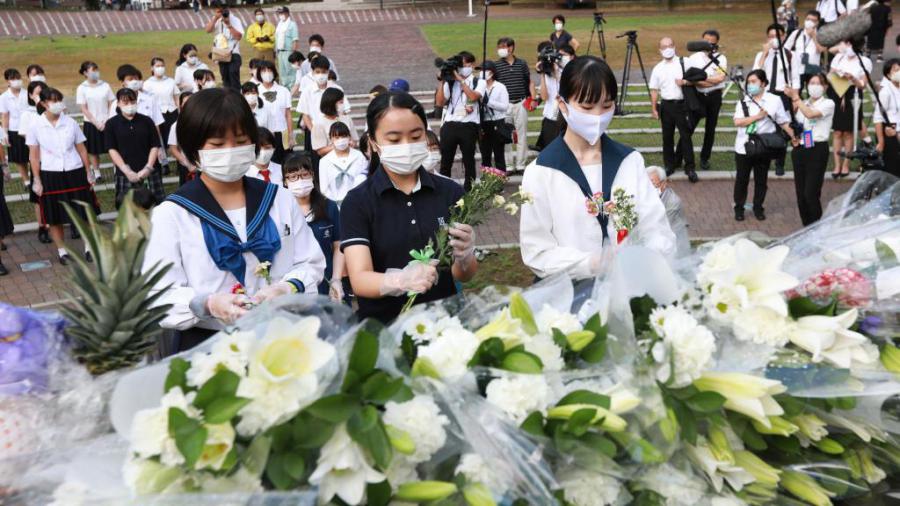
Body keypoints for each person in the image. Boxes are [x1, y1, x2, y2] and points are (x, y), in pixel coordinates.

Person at [142, 87, 325, 351]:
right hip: (208, 347)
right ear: (194, 149)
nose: (230, 151)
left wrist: (285, 288)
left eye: (240, 142)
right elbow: (160, 294)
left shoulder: (279, 199)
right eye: (217, 145)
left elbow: (311, 262)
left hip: (281, 336)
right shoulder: (172, 215)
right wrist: (208, 304)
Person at [520, 56, 675, 280]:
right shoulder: (541, 171)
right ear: (562, 104)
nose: (598, 117)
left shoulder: (630, 161)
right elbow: (537, 251)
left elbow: (657, 228)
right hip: (569, 292)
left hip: (630, 285)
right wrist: (592, 264)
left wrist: (646, 257)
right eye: (586, 107)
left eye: (607, 106)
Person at [341, 91, 477, 323]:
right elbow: (360, 279)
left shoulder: (450, 192)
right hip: (385, 328)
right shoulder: (358, 202)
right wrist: (399, 281)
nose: (407, 146)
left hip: (444, 325)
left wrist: (465, 257)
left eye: (415, 136)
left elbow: (464, 275)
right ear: (373, 142)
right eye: (394, 140)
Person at [27, 87, 99, 265]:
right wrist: (37, 179)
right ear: (44, 104)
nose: (58, 104)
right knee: (54, 216)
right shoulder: (36, 125)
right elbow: (34, 156)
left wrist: (88, 171)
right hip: (50, 173)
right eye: (54, 101)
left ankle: (89, 248)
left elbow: (82, 149)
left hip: (75, 171)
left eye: (59, 100)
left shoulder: (70, 122)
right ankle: (62, 251)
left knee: (83, 212)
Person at [732, 69, 795, 222]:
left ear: (763, 83)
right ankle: (739, 208)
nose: (750, 85)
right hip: (744, 146)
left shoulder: (774, 100)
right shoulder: (743, 101)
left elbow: (783, 121)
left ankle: (758, 207)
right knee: (742, 179)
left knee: (761, 180)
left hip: (764, 146)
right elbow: (738, 122)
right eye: (748, 82)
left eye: (754, 81)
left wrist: (794, 136)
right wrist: (757, 117)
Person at [283, 153, 344, 301]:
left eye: (304, 175)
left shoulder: (329, 206)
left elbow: (338, 246)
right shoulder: (281, 210)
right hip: (291, 285)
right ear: (285, 181)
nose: (300, 180)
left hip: (325, 281)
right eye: (293, 177)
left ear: (312, 175)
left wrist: (336, 279)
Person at [785, 73, 834, 225]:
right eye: (811, 83)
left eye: (818, 83)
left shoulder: (828, 103)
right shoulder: (803, 103)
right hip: (801, 148)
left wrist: (795, 97)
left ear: (825, 87)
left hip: (817, 150)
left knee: (810, 193)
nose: (814, 86)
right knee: (801, 195)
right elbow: (797, 124)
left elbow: (811, 114)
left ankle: (816, 227)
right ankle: (806, 226)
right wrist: (794, 137)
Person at [105, 88, 165, 208]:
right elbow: (112, 149)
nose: (130, 105)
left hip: (149, 171)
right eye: (125, 102)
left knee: (156, 207)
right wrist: (126, 170)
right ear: (118, 103)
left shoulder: (147, 121)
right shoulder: (112, 124)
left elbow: (154, 145)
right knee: (127, 208)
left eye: (132, 102)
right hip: (125, 173)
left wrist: (148, 167)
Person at [649, 37, 699, 182]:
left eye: (670, 45)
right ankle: (669, 165)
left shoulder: (685, 62)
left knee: (686, 137)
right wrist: (654, 108)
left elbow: (698, 77)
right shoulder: (658, 68)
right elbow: (654, 89)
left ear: (675, 46)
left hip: (682, 105)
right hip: (666, 106)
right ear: (660, 50)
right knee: (667, 138)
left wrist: (685, 82)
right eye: (664, 46)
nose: (668, 49)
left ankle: (690, 168)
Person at [435, 51, 485, 190]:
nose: (462, 68)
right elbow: (439, 103)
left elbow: (473, 97)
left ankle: (469, 190)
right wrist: (442, 81)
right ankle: (444, 190)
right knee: (446, 161)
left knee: (468, 160)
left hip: (469, 126)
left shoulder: (478, 82)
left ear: (472, 65)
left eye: (465, 65)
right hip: (450, 124)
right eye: (460, 65)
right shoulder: (451, 83)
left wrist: (460, 80)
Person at [829, 39, 872, 178]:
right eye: (846, 44)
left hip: (853, 94)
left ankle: (846, 164)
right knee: (837, 132)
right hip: (838, 92)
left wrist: (853, 78)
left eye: (850, 44)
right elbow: (830, 75)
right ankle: (837, 165)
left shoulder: (864, 61)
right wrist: (838, 76)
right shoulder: (838, 57)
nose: (847, 47)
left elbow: (863, 84)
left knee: (848, 132)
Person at [686, 30, 728, 171]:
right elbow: (691, 79)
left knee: (710, 129)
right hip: (698, 97)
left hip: (714, 97)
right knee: (689, 128)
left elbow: (720, 78)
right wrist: (709, 81)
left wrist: (702, 79)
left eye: (711, 41)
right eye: (705, 40)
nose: (708, 44)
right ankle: (679, 156)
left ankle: (705, 158)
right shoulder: (693, 58)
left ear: (716, 42)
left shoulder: (721, 58)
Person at [495, 37, 536, 173]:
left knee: (522, 134)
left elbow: (528, 81)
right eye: (499, 47)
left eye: (504, 46)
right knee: (506, 135)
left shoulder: (522, 63)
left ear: (511, 48)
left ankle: (520, 164)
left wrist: (532, 98)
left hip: (520, 103)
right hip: (504, 105)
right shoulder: (496, 65)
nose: (501, 49)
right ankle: (508, 165)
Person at [18, 81, 51, 244]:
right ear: (31, 95)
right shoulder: (28, 114)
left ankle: (67, 223)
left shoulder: (52, 110)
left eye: (43, 91)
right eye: (37, 93)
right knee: (39, 196)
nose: (40, 95)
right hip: (39, 159)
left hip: (57, 161)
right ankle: (42, 227)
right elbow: (26, 136)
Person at [76, 62, 116, 183]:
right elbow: (83, 108)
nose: (95, 72)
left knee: (112, 146)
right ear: (85, 73)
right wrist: (96, 122)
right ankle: (97, 172)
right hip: (91, 122)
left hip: (107, 121)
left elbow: (111, 102)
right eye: (92, 70)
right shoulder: (82, 88)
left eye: (96, 69)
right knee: (93, 150)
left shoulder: (105, 85)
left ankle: (116, 169)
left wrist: (107, 119)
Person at [318, 121, 367, 205]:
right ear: (331, 139)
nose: (340, 140)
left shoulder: (360, 156)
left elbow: (365, 181)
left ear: (349, 137)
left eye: (343, 136)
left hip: (359, 202)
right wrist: (337, 202)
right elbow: (324, 189)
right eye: (337, 137)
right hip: (336, 203)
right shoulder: (325, 161)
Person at [646, 165, 690, 258]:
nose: (649, 189)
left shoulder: (673, 202)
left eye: (654, 185)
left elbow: (661, 225)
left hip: (674, 241)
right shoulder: (648, 196)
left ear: (664, 183)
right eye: (647, 185)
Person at [537, 43, 574, 150]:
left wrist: (557, 74)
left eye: (564, 55)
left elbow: (566, 92)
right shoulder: (548, 74)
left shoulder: (570, 73)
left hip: (565, 118)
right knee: (548, 150)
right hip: (549, 118)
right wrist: (542, 74)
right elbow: (544, 97)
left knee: (565, 150)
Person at [297, 57, 337, 155]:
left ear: (328, 72)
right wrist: (313, 132)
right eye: (317, 72)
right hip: (315, 131)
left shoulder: (336, 89)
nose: (321, 75)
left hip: (334, 133)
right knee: (315, 160)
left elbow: (343, 111)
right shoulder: (307, 91)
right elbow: (305, 114)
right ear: (312, 72)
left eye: (323, 72)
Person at [256, 60, 294, 163]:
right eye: (263, 71)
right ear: (259, 73)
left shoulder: (283, 91)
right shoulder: (256, 92)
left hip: (282, 133)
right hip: (264, 135)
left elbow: (288, 115)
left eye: (269, 70)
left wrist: (291, 135)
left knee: (285, 163)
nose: (267, 73)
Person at [143, 57, 180, 159]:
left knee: (174, 136)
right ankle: (163, 161)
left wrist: (180, 111)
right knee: (160, 139)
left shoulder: (171, 81)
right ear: (152, 68)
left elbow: (176, 97)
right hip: (158, 114)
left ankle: (178, 158)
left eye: (162, 66)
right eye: (157, 66)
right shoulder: (147, 84)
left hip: (172, 112)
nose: (160, 68)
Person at [1, 69, 31, 195]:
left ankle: (36, 177)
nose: (17, 81)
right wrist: (5, 133)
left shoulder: (27, 93)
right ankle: (26, 181)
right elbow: (5, 115)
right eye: (13, 79)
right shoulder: (4, 97)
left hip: (29, 129)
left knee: (32, 155)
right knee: (19, 158)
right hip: (14, 130)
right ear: (8, 81)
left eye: (18, 78)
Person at [478, 61, 510, 171]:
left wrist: (489, 102)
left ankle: (500, 178)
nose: (481, 73)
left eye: (484, 70)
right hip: (483, 122)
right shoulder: (478, 87)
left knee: (499, 154)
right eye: (480, 70)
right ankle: (486, 179)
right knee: (485, 154)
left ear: (491, 73)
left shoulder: (500, 87)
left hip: (497, 122)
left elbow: (505, 106)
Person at [205, 3, 244, 91]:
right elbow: (208, 30)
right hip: (221, 54)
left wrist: (229, 25)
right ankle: (227, 96)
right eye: (219, 11)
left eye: (223, 10)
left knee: (233, 75)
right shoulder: (216, 20)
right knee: (225, 78)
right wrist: (215, 18)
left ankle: (236, 95)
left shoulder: (235, 20)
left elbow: (238, 37)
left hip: (233, 53)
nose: (222, 13)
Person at [784, 11, 825, 91]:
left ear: (817, 22)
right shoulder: (796, 33)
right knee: (797, 91)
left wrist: (813, 36)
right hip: (797, 68)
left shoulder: (821, 35)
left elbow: (821, 49)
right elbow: (786, 49)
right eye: (808, 19)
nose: (809, 22)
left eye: (813, 20)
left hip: (813, 69)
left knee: (813, 91)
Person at [312, 88, 358, 157]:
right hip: (331, 159)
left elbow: (354, 140)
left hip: (349, 157)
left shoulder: (347, 118)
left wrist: (352, 144)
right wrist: (340, 145)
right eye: (341, 102)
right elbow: (320, 151)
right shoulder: (319, 124)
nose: (343, 105)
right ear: (331, 103)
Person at [874, 58, 900, 175]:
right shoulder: (886, 92)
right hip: (890, 133)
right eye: (896, 70)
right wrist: (881, 141)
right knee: (892, 168)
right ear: (888, 75)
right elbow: (878, 117)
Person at [168, 91, 197, 186]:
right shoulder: (176, 125)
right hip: (187, 166)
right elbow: (173, 148)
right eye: (185, 103)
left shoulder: (203, 122)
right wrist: (188, 164)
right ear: (181, 106)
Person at [274, 6, 300, 89]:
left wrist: (294, 53)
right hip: (280, 52)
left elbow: (295, 39)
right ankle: (284, 88)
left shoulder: (292, 25)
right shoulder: (279, 25)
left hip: (289, 51)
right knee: (282, 72)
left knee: (290, 71)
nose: (280, 15)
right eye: (279, 13)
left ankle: (292, 89)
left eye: (282, 13)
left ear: (287, 13)